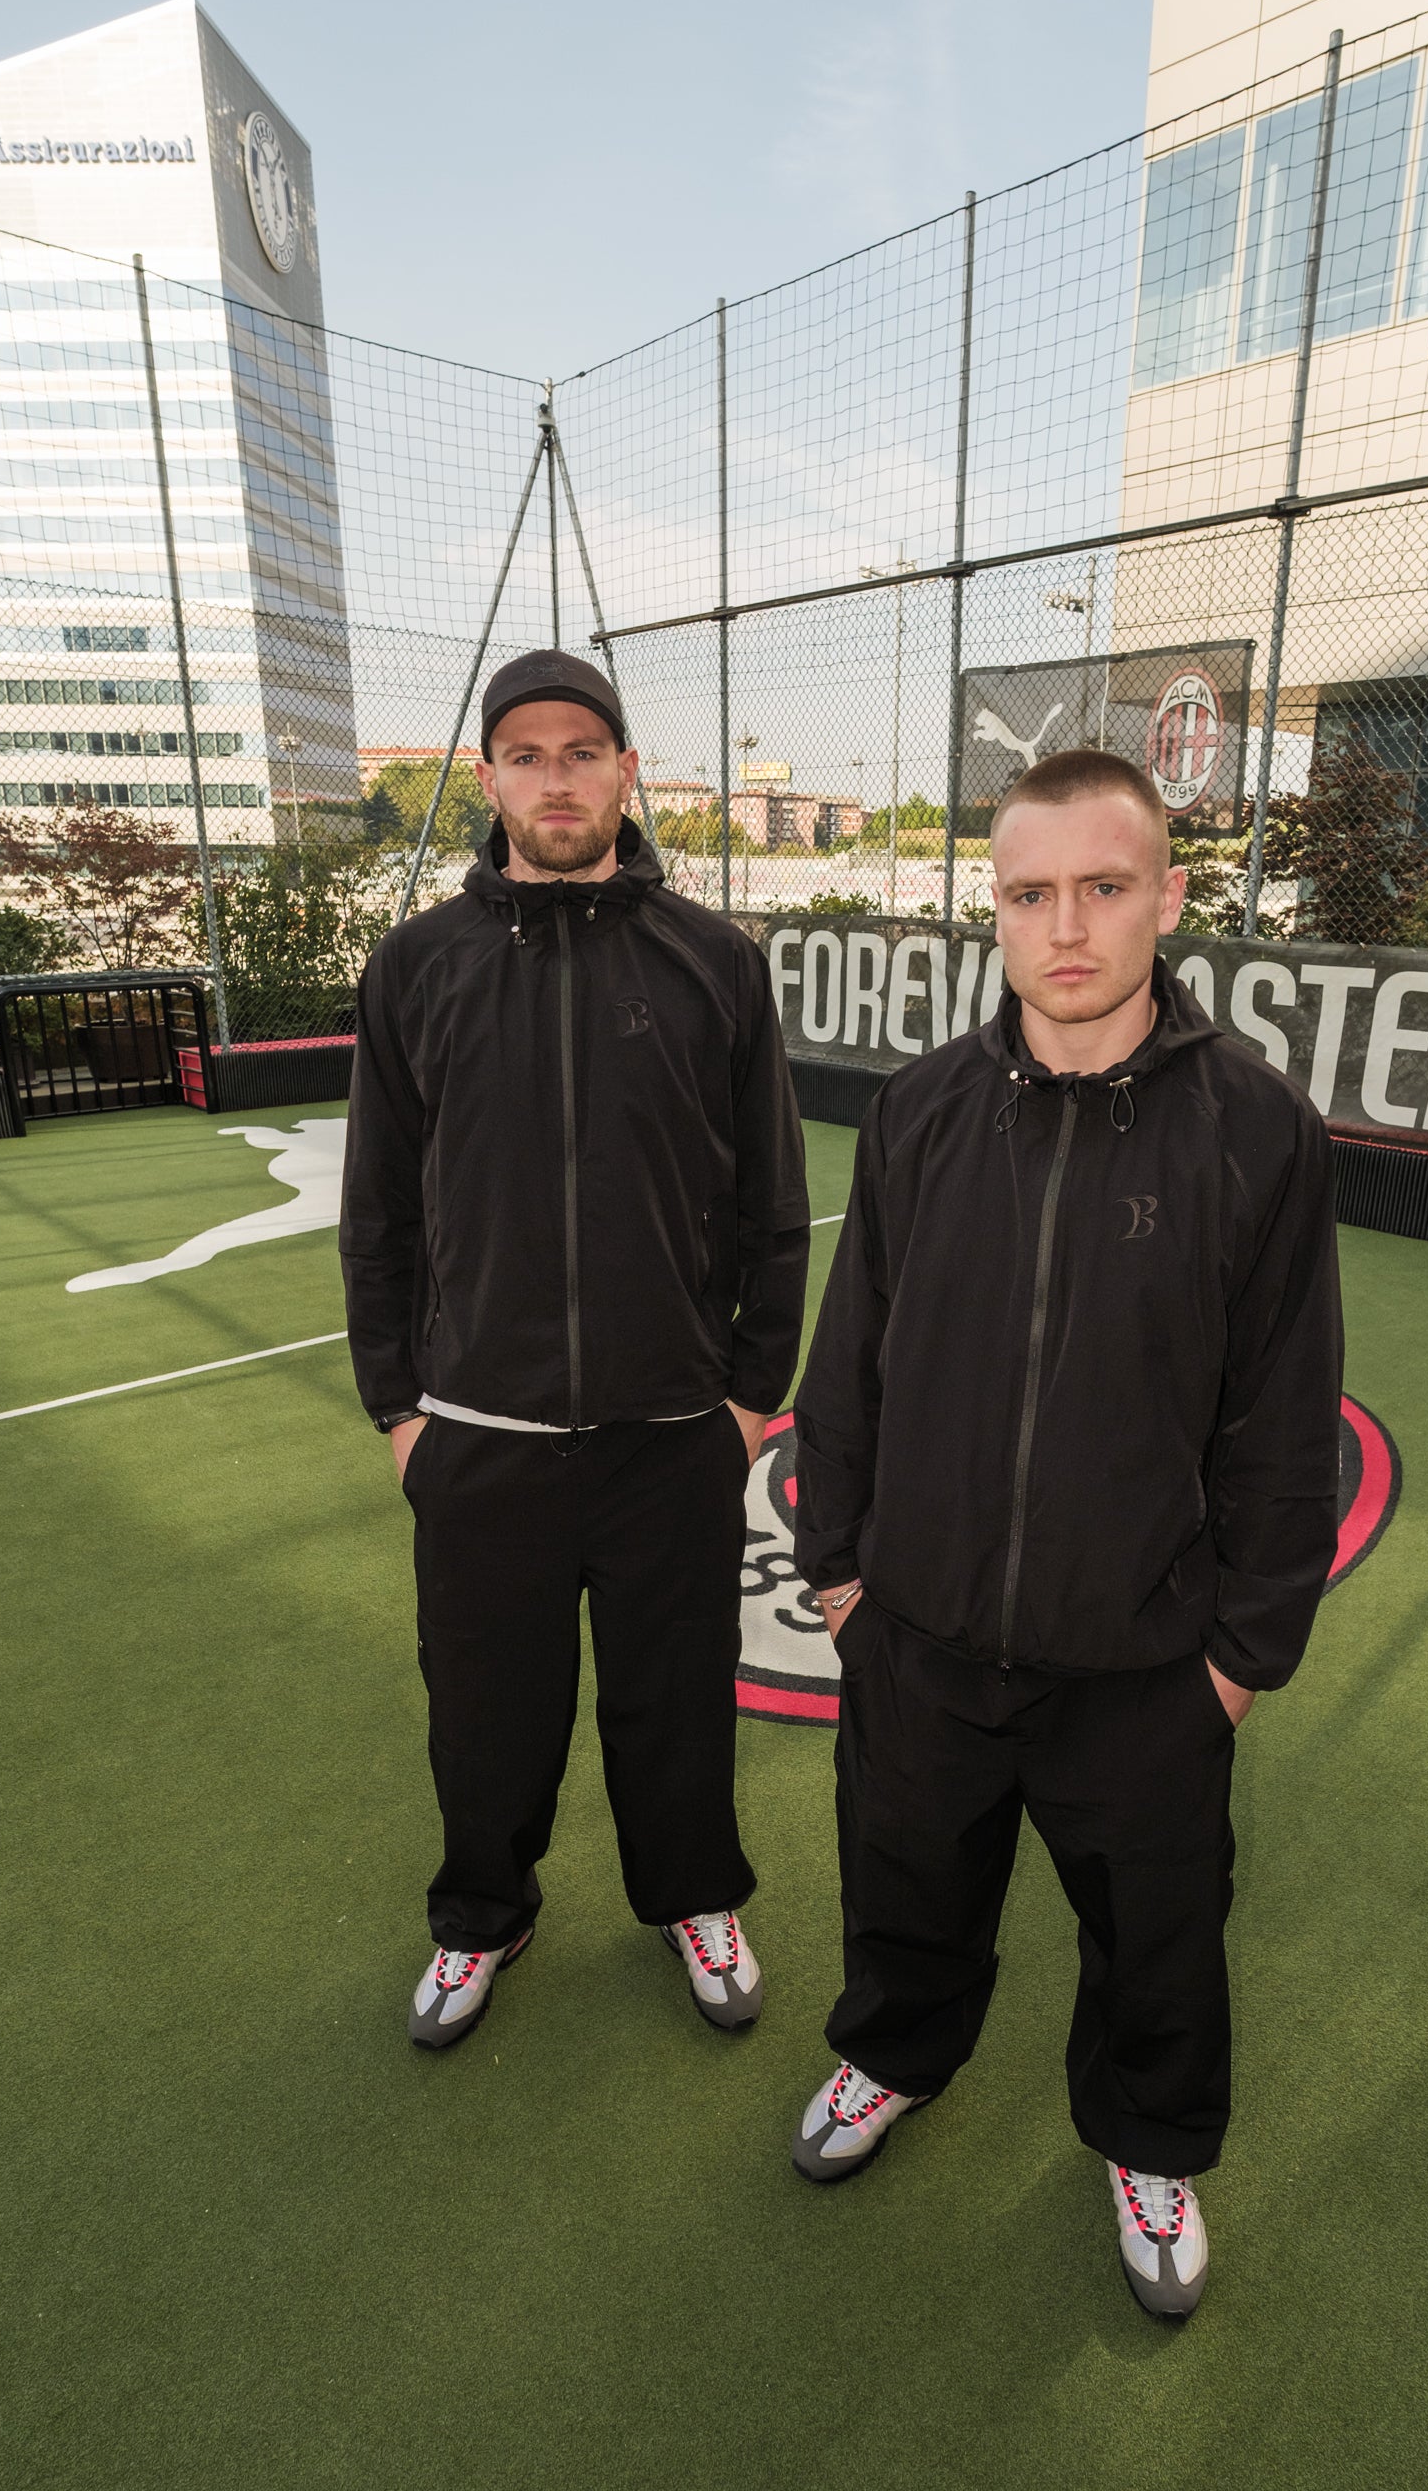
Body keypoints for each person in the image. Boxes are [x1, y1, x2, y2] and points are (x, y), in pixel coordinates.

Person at [788, 748, 1342, 2319]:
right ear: (995, 912)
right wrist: (843, 1572)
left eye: (1106, 888)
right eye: (1031, 894)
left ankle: (1150, 2141)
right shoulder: (917, 1114)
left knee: (1160, 1937)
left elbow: (1285, 1420)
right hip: (920, 1637)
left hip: (1145, 1665)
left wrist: (1240, 1659)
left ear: (1170, 897)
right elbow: (852, 1362)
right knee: (905, 1887)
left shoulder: (1257, 1133)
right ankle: (892, 2056)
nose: (1070, 926)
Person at [341, 648, 809, 2053]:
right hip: (479, 1439)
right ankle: (483, 1914)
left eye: (582, 752)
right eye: (528, 756)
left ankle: (694, 1902)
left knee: (676, 1706)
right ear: (489, 781)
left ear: (626, 772)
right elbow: (378, 1216)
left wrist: (744, 1402)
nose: (557, 778)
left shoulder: (715, 962)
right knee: (486, 1716)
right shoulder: (418, 965)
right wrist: (400, 1416)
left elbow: (775, 1210)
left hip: (673, 1436)